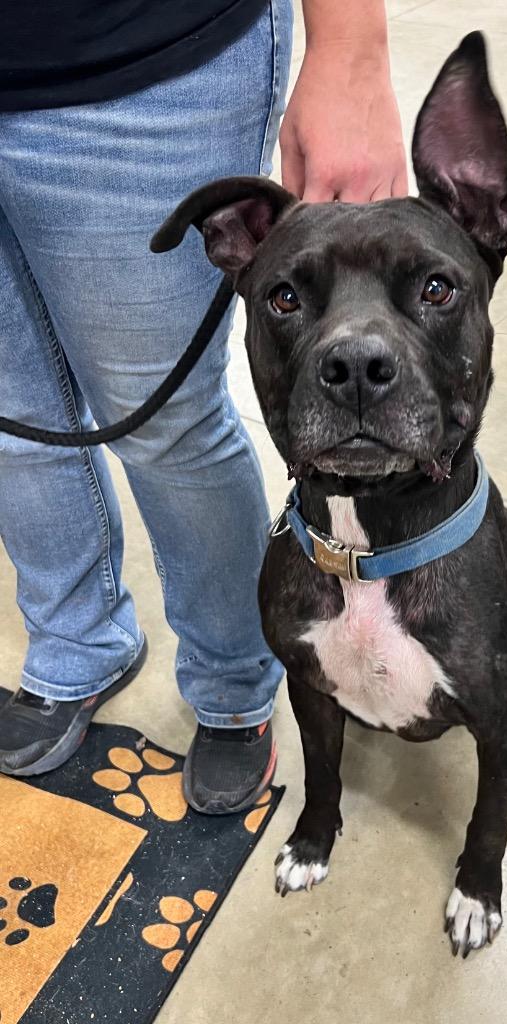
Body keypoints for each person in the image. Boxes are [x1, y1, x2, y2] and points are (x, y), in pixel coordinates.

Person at [0, 0, 407, 812]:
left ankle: (231, 680)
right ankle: (78, 641)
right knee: (13, 421)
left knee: (164, 422)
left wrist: (351, 47)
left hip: (134, 63)